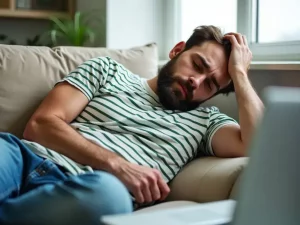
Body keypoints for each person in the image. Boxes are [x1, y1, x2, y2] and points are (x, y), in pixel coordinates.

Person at [0, 25, 264, 225]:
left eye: (210, 84)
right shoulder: (107, 70)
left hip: (92, 190)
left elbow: (260, 144)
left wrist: (239, 73)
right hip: (25, 159)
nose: (196, 81)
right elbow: (41, 124)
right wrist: (117, 165)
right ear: (177, 50)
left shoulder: (205, 124)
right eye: (197, 65)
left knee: (109, 195)